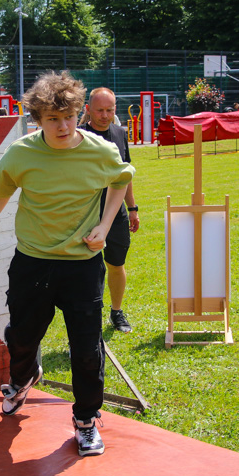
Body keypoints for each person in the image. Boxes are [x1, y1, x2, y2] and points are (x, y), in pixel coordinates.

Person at [0, 71, 134, 457]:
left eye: (69, 116)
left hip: (82, 266)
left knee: (86, 348)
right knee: (21, 337)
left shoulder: (100, 149)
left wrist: (104, 225)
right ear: (37, 120)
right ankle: (23, 379)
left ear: (78, 112)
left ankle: (86, 420)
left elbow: (121, 179)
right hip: (32, 263)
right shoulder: (22, 153)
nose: (63, 126)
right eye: (52, 119)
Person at [80, 87, 140, 333]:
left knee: (116, 264)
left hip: (116, 216)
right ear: (88, 110)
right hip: (86, 215)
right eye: (99, 110)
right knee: (86, 270)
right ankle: (86, 318)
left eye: (110, 110)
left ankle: (116, 312)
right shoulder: (78, 136)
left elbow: (125, 174)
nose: (105, 115)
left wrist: (132, 208)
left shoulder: (119, 133)